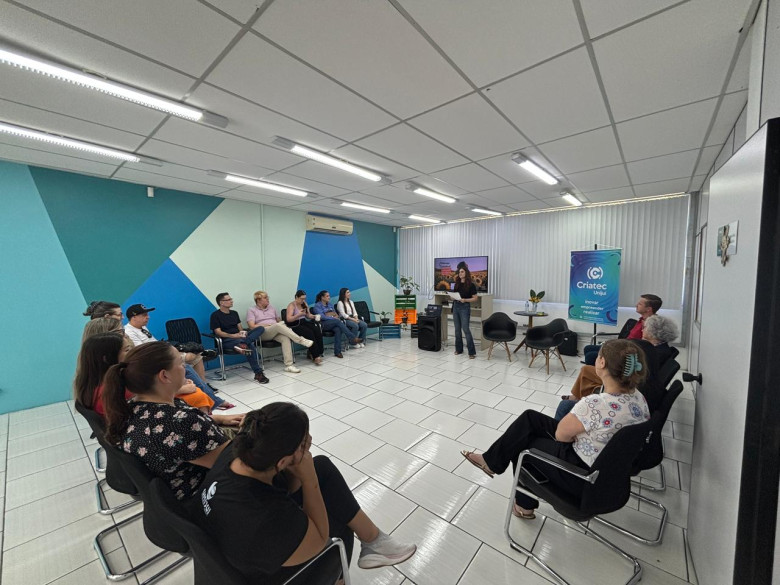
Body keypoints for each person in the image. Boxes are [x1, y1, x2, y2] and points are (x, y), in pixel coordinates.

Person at [196, 402, 417, 583]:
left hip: (234, 545)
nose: (308, 443)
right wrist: (309, 480)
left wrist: (302, 464)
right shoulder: (263, 515)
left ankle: (374, 541)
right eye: (303, 443)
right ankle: (339, 577)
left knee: (320, 466)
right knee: (338, 522)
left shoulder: (238, 452)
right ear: (282, 461)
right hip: (262, 573)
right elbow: (320, 539)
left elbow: (283, 488)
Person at [461, 339, 650, 519]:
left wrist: (575, 434)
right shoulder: (639, 398)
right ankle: (490, 461)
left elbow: (561, 435)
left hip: (581, 473)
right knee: (530, 418)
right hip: (608, 471)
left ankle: (524, 506)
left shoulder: (595, 404)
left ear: (601, 362)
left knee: (522, 445)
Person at [102, 341, 244, 500]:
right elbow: (236, 464)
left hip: (167, 497)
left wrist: (219, 419)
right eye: (181, 363)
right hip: (204, 496)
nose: (186, 368)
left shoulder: (130, 408)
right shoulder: (182, 422)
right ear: (164, 376)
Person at [124, 303, 233, 410]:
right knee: (187, 364)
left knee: (197, 356)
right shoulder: (129, 332)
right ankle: (214, 399)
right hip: (153, 362)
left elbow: (155, 344)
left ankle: (205, 387)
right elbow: (146, 353)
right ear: (134, 317)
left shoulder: (142, 328)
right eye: (144, 315)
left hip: (160, 356)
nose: (148, 317)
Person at [582, 294, 663, 365]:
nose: (636, 305)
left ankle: (600, 373)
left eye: (640, 304)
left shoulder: (651, 326)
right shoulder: (642, 319)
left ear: (648, 309)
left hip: (628, 353)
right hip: (622, 346)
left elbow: (645, 346)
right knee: (588, 348)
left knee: (591, 356)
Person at [246, 291, 314, 374]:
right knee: (277, 325)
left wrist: (280, 324)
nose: (268, 299)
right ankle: (301, 340)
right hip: (262, 333)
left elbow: (278, 321)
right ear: (258, 300)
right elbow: (252, 326)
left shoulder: (271, 308)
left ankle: (289, 365)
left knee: (285, 338)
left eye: (267, 297)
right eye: (265, 298)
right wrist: (268, 325)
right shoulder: (252, 310)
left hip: (274, 331)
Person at [210, 292, 269, 384]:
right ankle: (258, 373)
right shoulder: (215, 315)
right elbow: (218, 332)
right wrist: (233, 336)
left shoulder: (234, 313)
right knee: (249, 346)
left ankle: (244, 343)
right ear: (221, 303)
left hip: (240, 339)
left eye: (231, 299)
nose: (231, 301)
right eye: (228, 300)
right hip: (226, 340)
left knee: (260, 328)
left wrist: (242, 333)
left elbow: (240, 328)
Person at [74, 331, 133, 416]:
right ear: (107, 358)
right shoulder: (114, 391)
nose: (132, 352)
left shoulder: (89, 383)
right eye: (127, 350)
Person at [311, 291, 356, 359]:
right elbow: (322, 317)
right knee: (337, 321)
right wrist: (332, 317)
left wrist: (330, 316)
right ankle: (352, 337)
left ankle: (337, 352)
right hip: (323, 324)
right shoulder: (317, 306)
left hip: (332, 323)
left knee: (338, 329)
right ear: (322, 297)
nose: (329, 297)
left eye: (329, 296)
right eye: (327, 296)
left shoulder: (330, 304)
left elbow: (336, 314)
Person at [285, 290, 324, 365]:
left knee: (316, 329)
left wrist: (314, 316)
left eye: (304, 299)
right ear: (296, 297)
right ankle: (315, 356)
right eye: (301, 299)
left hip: (304, 322)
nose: (303, 300)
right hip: (295, 324)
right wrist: (298, 315)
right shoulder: (291, 305)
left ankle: (318, 352)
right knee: (309, 332)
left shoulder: (304, 304)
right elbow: (288, 319)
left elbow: (308, 315)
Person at [452, 265, 477, 359]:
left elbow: (475, 298)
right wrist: (452, 297)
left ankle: (471, 352)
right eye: (459, 272)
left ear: (466, 273)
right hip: (456, 306)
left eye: (462, 271)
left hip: (464, 307)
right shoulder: (457, 284)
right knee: (457, 329)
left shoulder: (471, 285)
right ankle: (459, 349)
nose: (460, 273)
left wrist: (465, 300)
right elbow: (455, 295)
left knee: (466, 329)